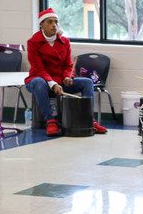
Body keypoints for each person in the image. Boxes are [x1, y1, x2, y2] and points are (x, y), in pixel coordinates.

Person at [24, 8, 106, 136]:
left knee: (87, 82)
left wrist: (68, 77)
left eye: (56, 22)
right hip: (39, 80)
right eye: (50, 22)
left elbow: (68, 65)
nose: (54, 25)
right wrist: (53, 84)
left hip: (59, 80)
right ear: (41, 24)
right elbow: (38, 68)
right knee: (39, 83)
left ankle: (89, 120)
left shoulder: (65, 41)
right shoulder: (32, 42)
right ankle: (51, 121)